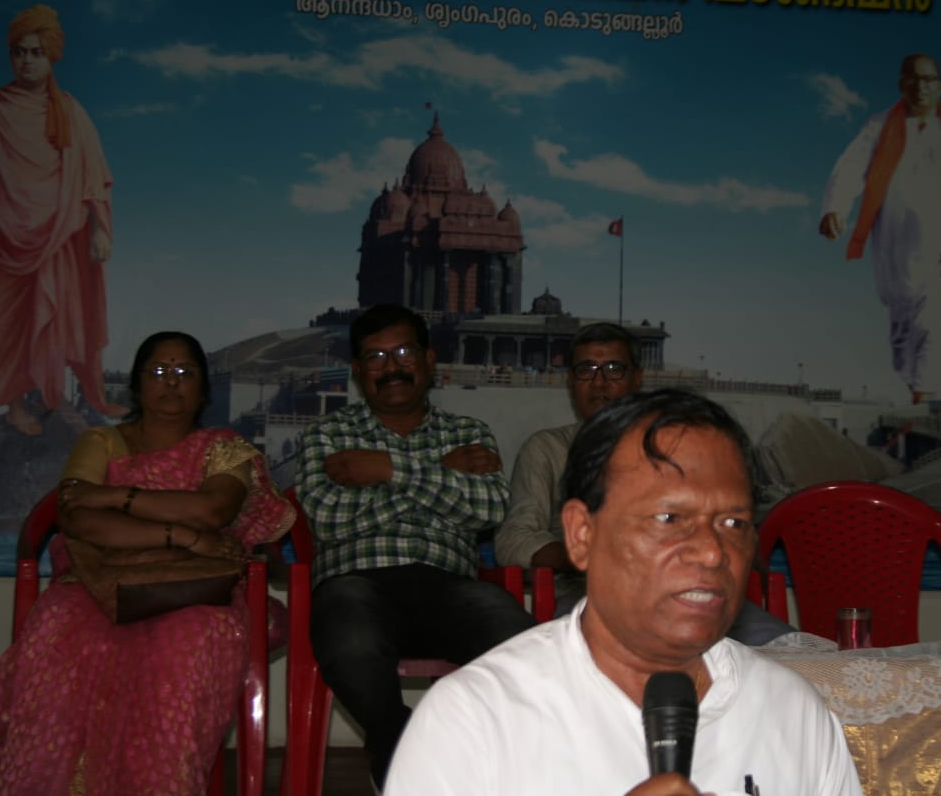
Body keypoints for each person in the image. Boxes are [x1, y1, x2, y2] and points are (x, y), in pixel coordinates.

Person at [384, 389, 862, 796]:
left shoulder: (793, 711)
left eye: (734, 523)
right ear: (581, 535)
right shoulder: (475, 719)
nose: (713, 551)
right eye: (669, 518)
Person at [0, 331, 295, 794]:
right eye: (158, 371)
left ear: (203, 388)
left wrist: (113, 497)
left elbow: (213, 510)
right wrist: (182, 535)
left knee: (184, 646)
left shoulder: (224, 448)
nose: (171, 381)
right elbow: (78, 518)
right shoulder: (102, 441)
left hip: (194, 590)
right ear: (137, 385)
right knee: (56, 630)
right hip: (94, 584)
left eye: (184, 372)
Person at [296, 303, 537, 790]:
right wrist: (440, 472)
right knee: (348, 629)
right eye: (376, 357)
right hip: (357, 584)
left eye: (404, 352)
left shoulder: (467, 433)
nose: (392, 367)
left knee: (521, 644)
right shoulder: (328, 434)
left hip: (450, 588)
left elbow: (488, 508)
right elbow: (329, 518)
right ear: (358, 370)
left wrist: (386, 470)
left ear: (428, 360)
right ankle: (398, 741)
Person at [495, 322, 793, 644]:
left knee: (789, 652)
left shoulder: (677, 448)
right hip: (589, 592)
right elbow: (514, 538)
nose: (599, 382)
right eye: (586, 369)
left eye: (614, 369)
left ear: (637, 378)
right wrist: (592, 553)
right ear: (570, 381)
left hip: (693, 588)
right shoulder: (547, 449)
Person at [0, 3, 124, 446]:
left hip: (57, 239)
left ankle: (16, 408)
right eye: (19, 52)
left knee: (36, 327)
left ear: (51, 56)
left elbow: (94, 178)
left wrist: (100, 229)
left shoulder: (69, 112)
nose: (27, 61)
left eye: (36, 53)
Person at [819, 53, 941, 403]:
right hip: (893, 252)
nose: (921, 86)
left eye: (928, 80)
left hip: (940, 252)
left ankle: (925, 405)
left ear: (940, 86)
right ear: (901, 84)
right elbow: (851, 165)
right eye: (913, 79)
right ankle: (920, 397)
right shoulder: (880, 126)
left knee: (935, 325)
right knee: (902, 343)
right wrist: (835, 207)